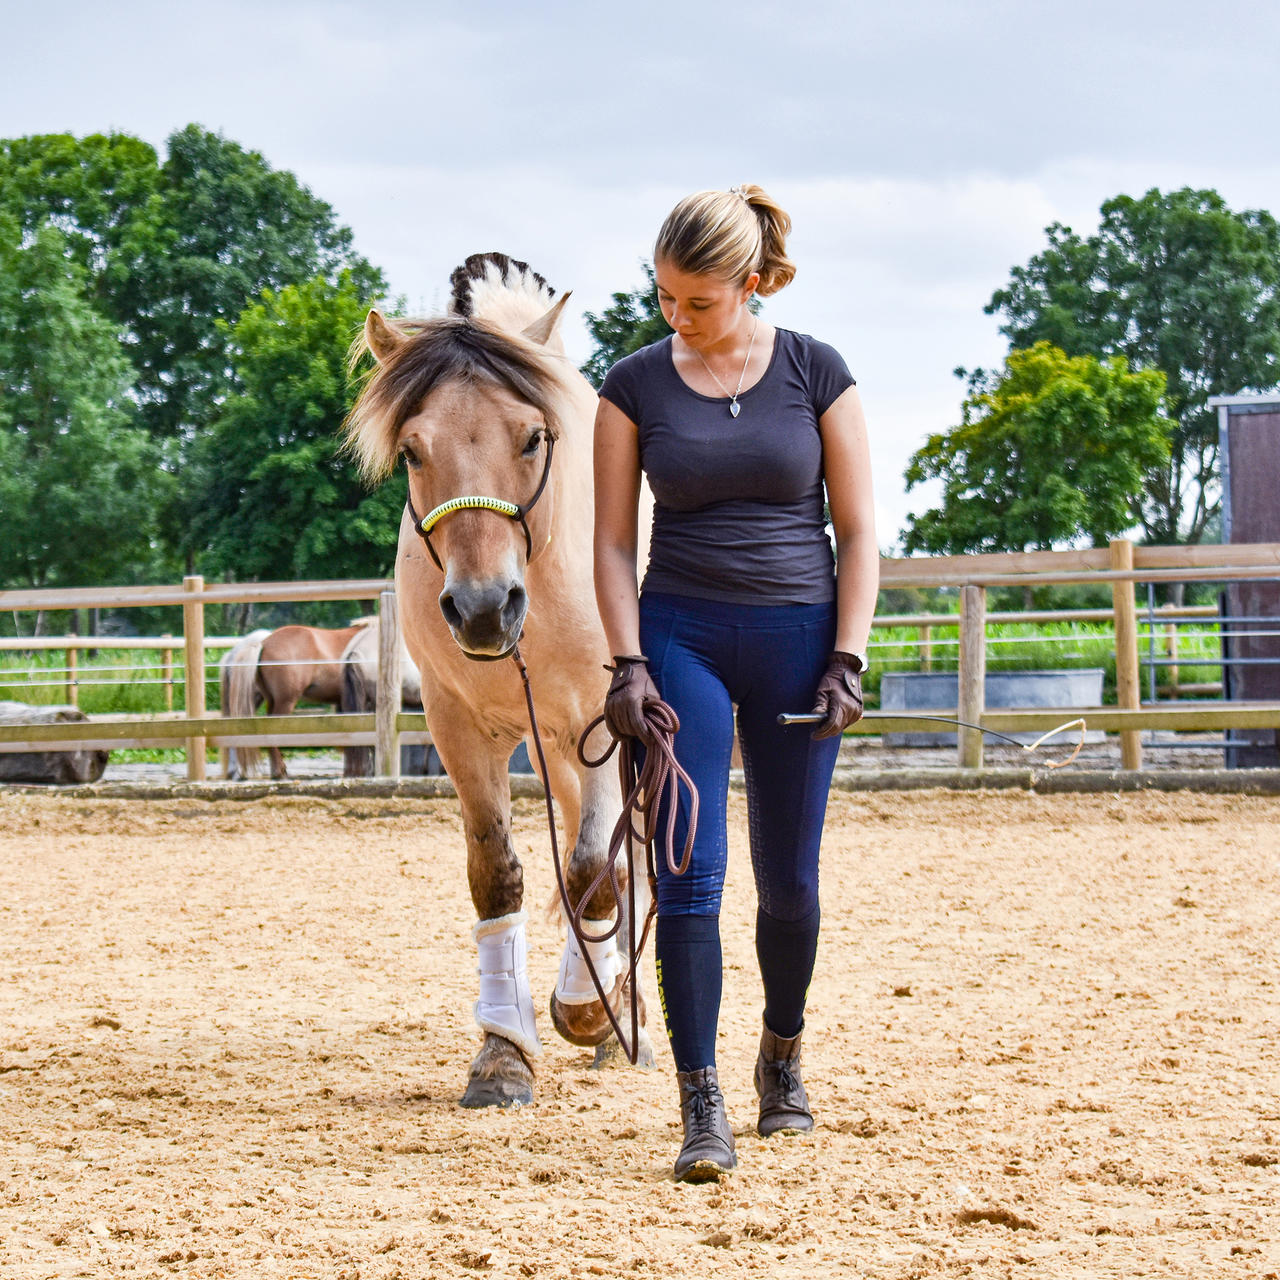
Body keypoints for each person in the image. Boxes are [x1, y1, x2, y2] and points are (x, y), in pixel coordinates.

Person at [593, 184, 879, 1181]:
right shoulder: (631, 385)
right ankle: (700, 1099)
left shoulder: (816, 370)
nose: (677, 317)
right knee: (688, 873)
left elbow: (858, 531)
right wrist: (627, 661)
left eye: (698, 301)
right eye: (663, 297)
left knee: (790, 882)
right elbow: (611, 538)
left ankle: (782, 1055)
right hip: (682, 637)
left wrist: (847, 655)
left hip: (799, 638)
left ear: (750, 281)